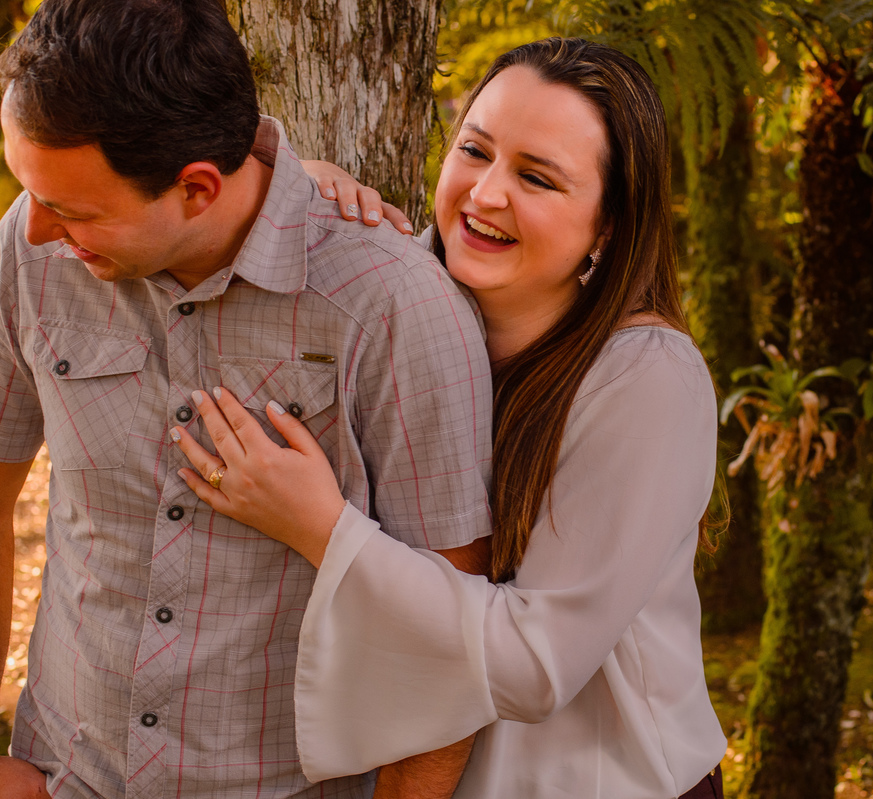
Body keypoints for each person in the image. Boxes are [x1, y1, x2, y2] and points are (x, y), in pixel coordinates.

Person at [174, 37, 728, 799]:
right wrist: (308, 198)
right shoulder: (395, 299)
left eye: (537, 177)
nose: (486, 193)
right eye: (475, 149)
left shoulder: (645, 381)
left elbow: (536, 665)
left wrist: (319, 525)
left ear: (608, 227)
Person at [0, 1, 492, 796]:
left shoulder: (392, 307)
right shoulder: (32, 250)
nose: (35, 232)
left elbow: (450, 633)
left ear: (196, 188)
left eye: (72, 211)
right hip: (66, 772)